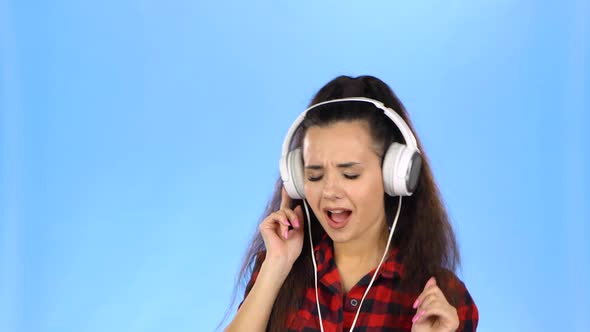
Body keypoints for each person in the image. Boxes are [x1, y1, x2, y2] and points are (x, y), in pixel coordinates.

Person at [225, 75, 478, 332]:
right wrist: (275, 268)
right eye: (314, 175)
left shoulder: (442, 300)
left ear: (395, 176)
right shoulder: (279, 269)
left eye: (350, 174)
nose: (329, 191)